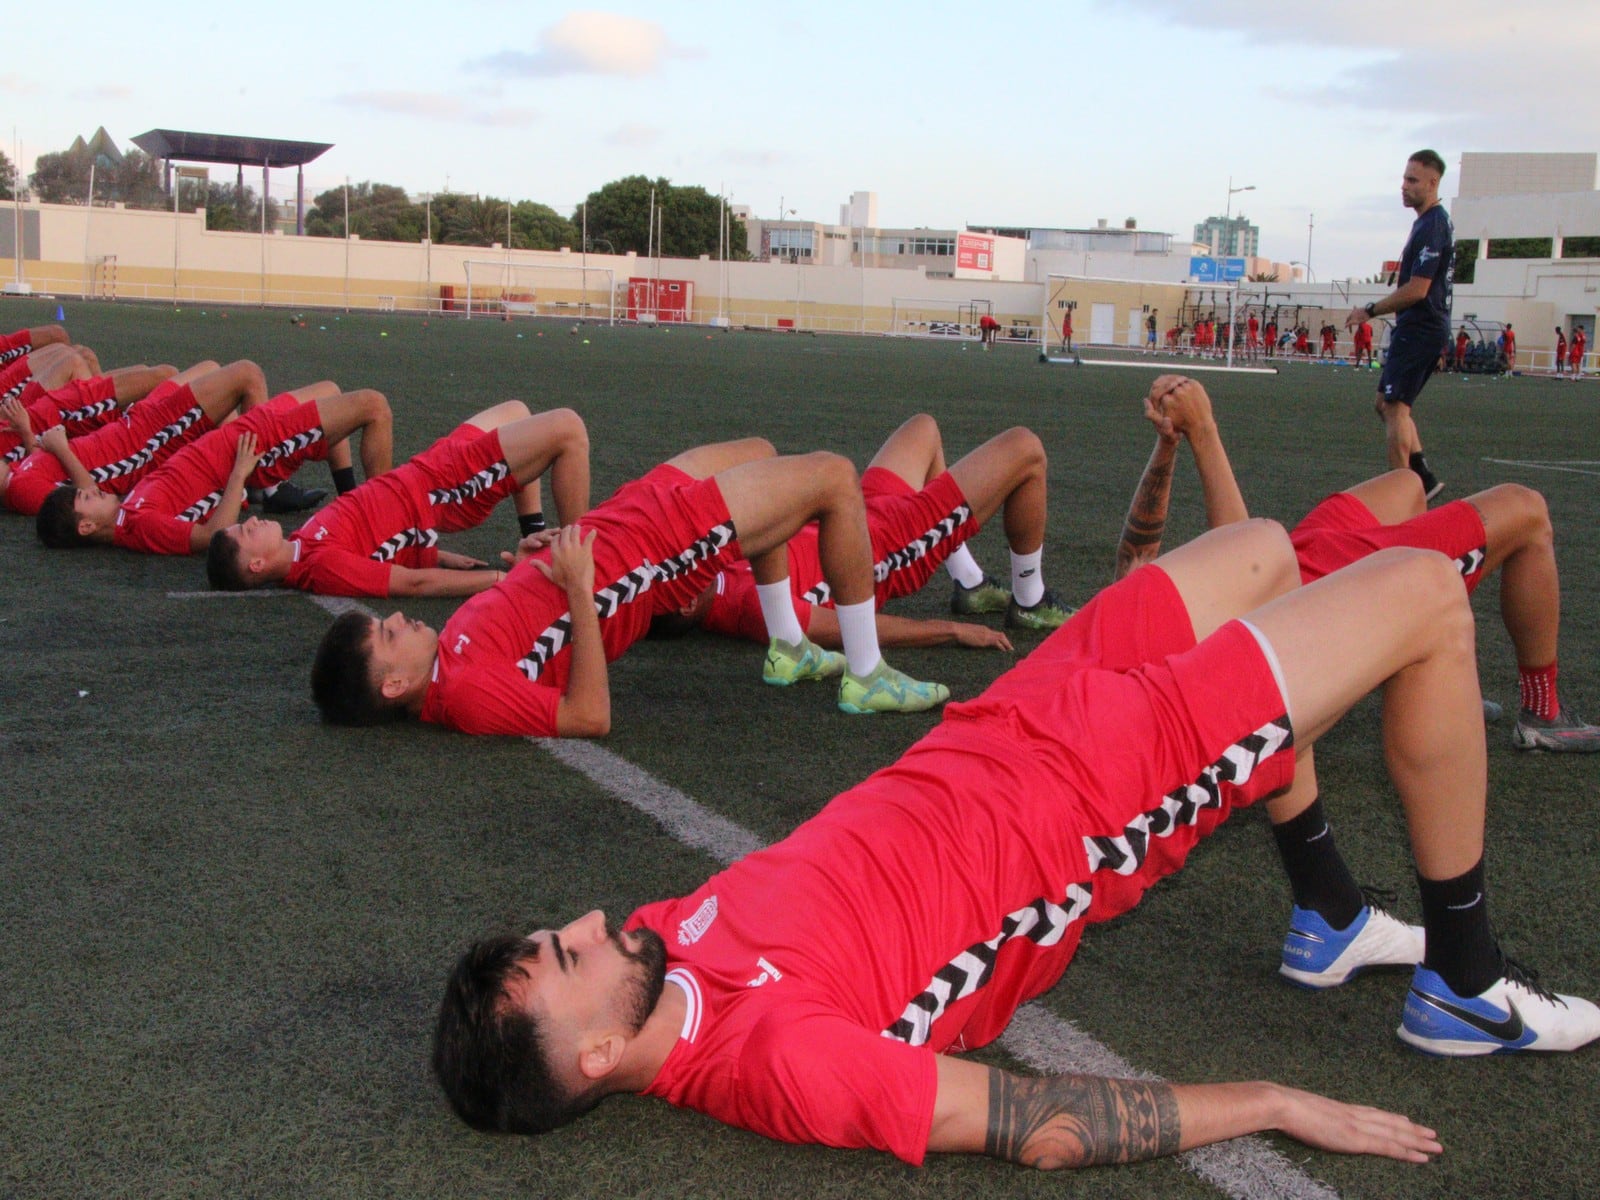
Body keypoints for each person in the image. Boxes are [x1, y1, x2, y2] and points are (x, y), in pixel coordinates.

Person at [431, 515, 1600, 1173]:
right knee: (1425, 598)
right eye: (568, 959)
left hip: (1011, 719)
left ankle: (1331, 915)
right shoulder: (778, 1062)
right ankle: (1460, 983)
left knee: (1260, 554)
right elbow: (1038, 1126)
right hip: (1095, 790)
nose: (588, 925)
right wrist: (1271, 1101)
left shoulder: (657, 951)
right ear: (591, 1060)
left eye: (560, 935)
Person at [310, 441, 953, 735]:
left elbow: (532, 625)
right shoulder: (467, 696)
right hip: (656, 551)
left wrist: (539, 559)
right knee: (834, 479)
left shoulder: (450, 658)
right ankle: (866, 675)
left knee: (758, 450)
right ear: (394, 684)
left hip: (618, 524)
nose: (398, 620)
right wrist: (582, 587)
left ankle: (788, 644)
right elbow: (587, 716)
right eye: (387, 634)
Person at [1118, 374, 1600, 753]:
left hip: (1299, 554)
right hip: (1310, 601)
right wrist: (1202, 431)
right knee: (1527, 510)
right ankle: (1542, 714)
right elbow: (1255, 592)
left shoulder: (1113, 648)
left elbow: (1134, 559)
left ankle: (1421, 664)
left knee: (1407, 485)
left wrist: (1168, 442)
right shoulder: (1167, 686)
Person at [655, 414, 1070, 651]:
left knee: (923, 428)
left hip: (857, 509)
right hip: (894, 544)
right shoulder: (748, 609)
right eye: (677, 570)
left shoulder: (716, 572)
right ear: (689, 603)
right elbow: (848, 629)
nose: (684, 556)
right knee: (1025, 449)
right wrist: (950, 631)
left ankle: (969, 582)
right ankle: (1030, 600)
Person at [207, 402, 588, 596]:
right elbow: (410, 583)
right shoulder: (319, 567)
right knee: (568, 429)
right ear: (257, 564)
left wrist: (438, 554)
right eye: (246, 531)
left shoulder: (302, 545)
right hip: (446, 487)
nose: (252, 520)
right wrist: (499, 579)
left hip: (427, 467)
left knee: (517, 411)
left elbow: (372, 541)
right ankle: (588, 570)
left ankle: (537, 537)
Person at [35, 384, 394, 555]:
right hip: (253, 447)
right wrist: (239, 474)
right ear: (86, 525)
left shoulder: (126, 511)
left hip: (240, 434)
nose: (94, 488)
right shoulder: (139, 524)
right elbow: (212, 538)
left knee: (330, 390)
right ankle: (379, 531)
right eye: (87, 497)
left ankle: (352, 510)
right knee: (374, 406)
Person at [1, 360, 268, 516]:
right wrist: (62, 448)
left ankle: (241, 479)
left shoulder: (16, 475)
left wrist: (29, 436)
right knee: (247, 375)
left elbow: (45, 469)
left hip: (133, 426)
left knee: (209, 368)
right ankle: (263, 481)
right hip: (145, 443)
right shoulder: (19, 491)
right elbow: (89, 497)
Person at [1345, 150, 1453, 499]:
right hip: (1420, 327)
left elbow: (1419, 289)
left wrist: (1370, 310)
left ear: (1433, 183)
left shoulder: (1434, 224)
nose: (1403, 187)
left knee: (1395, 408)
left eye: (1412, 180)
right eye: (1404, 178)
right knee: (1386, 403)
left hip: (1421, 327)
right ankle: (1422, 476)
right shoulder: (1426, 222)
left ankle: (1403, 496)